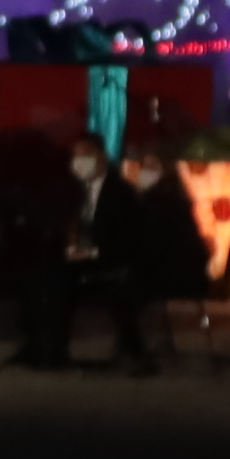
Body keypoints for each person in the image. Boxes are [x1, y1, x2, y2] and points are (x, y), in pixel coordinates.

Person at [86, 137, 199, 374]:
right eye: (144, 166)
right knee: (119, 287)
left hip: (176, 273)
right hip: (168, 267)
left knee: (121, 293)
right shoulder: (158, 198)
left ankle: (135, 352)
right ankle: (130, 349)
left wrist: (131, 265)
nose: (145, 172)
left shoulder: (164, 201)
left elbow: (156, 246)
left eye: (152, 167)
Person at [0, 118, 85, 370]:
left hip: (61, 253)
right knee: (30, 278)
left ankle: (50, 346)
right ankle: (36, 343)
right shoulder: (23, 182)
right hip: (33, 251)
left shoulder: (57, 179)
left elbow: (60, 219)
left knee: (45, 280)